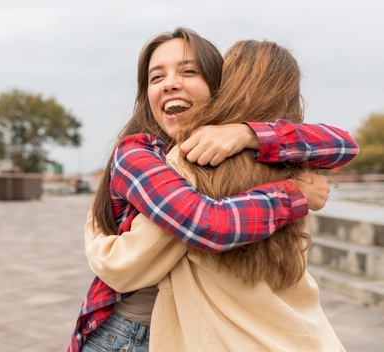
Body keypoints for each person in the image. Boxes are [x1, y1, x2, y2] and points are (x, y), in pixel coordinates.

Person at [69, 28, 358, 352]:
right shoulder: (140, 154)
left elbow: (345, 144)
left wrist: (248, 134)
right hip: (125, 335)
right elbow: (207, 223)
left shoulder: (235, 155)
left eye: (188, 71)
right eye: (155, 77)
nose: (170, 83)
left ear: (218, 86)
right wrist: (296, 194)